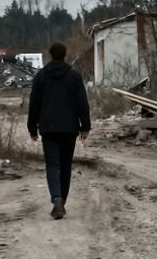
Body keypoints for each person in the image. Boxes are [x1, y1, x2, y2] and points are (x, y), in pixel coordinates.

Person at [27, 41, 91, 220]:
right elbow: (82, 103)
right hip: (69, 128)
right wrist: (85, 126)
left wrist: (32, 128)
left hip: (48, 128)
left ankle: (56, 198)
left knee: (52, 165)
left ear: (50, 55)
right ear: (65, 55)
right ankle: (62, 200)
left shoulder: (40, 77)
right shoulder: (74, 77)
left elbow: (34, 104)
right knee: (65, 165)